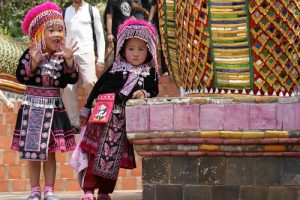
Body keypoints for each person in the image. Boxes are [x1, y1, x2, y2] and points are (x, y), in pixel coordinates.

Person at [77, 18, 159, 200]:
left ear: (149, 51)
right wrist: (86, 109)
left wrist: (143, 93)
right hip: (102, 116)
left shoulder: (150, 73)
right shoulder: (115, 68)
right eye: (131, 49)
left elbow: (154, 92)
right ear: (122, 48)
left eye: (141, 49)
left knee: (112, 158)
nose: (136, 54)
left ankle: (105, 191)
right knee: (95, 152)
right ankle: (88, 190)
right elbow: (97, 88)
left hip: (123, 122)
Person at [10, 2, 79, 200]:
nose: (57, 34)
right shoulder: (30, 54)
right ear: (39, 33)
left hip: (54, 109)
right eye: (51, 30)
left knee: (50, 152)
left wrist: (68, 61)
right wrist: (33, 62)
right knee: (32, 153)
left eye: (60, 30)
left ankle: (49, 190)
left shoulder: (61, 57)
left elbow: (70, 80)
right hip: (33, 109)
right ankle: (34, 190)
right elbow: (22, 77)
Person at [63, 0, 106, 130]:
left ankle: (94, 116)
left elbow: (100, 35)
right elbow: (62, 34)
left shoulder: (92, 10)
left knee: (90, 82)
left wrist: (101, 59)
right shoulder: (65, 12)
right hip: (70, 53)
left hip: (87, 52)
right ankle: (73, 122)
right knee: (67, 87)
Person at [147, 0, 169, 76]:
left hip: (175, 23)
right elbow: (154, 6)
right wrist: (149, 21)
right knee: (164, 45)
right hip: (162, 22)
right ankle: (165, 69)